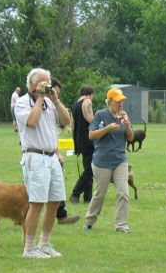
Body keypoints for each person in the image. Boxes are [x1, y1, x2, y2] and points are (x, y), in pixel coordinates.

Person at [14, 68, 72, 258]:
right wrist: (39, 98)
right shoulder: (23, 102)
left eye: (48, 83)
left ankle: (45, 243)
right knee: (37, 203)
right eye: (43, 83)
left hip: (51, 156)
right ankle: (29, 248)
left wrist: (55, 99)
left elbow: (66, 120)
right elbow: (31, 122)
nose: (47, 86)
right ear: (32, 84)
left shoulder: (50, 102)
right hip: (34, 156)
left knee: (54, 201)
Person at [84, 88, 134, 233]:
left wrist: (127, 123)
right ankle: (89, 221)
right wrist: (108, 128)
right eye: (118, 101)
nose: (121, 104)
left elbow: (130, 138)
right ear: (110, 101)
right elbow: (92, 135)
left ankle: (121, 225)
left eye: (122, 101)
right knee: (100, 194)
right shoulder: (101, 115)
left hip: (120, 160)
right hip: (102, 161)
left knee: (123, 193)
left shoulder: (123, 116)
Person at [51, 77, 80, 225]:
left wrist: (57, 152)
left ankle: (61, 216)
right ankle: (21, 215)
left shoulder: (53, 105)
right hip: (36, 155)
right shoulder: (30, 103)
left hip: (52, 153)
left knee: (57, 187)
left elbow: (65, 121)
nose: (55, 95)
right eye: (54, 92)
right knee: (30, 190)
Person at [70, 85, 95, 203]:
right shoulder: (87, 101)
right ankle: (75, 193)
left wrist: (75, 142)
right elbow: (90, 119)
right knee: (91, 169)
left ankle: (88, 196)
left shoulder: (75, 105)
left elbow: (72, 125)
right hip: (88, 139)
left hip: (79, 140)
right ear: (90, 93)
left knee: (88, 168)